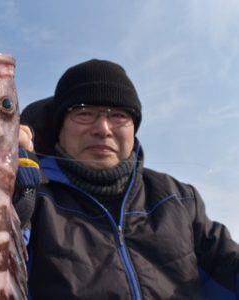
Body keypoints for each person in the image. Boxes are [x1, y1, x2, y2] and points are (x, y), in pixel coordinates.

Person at [15, 59, 239, 299]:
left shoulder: (179, 199)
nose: (103, 128)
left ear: (134, 128)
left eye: (118, 115)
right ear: (60, 128)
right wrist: (8, 198)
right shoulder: (31, 198)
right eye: (84, 113)